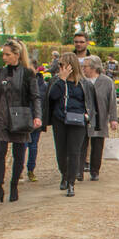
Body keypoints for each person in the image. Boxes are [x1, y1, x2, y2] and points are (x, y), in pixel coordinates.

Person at [0, 39, 42, 203]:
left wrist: (37, 116)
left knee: (19, 154)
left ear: (17, 55)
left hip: (20, 117)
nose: (4, 57)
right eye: (3, 54)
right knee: (0, 153)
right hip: (1, 118)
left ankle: (14, 186)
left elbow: (35, 97)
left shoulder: (28, 73)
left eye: (7, 54)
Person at [46, 53, 92, 196]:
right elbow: (51, 96)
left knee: (74, 152)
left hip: (78, 121)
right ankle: (64, 175)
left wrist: (88, 115)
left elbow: (90, 102)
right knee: (61, 151)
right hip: (60, 120)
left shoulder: (84, 83)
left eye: (61, 65)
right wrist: (62, 80)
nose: (59, 67)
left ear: (71, 66)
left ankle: (71, 182)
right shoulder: (57, 81)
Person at [80, 54, 118, 181]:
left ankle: (94, 170)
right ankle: (79, 170)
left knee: (97, 145)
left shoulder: (107, 81)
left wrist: (113, 119)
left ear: (93, 68)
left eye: (85, 66)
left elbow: (112, 101)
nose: (83, 69)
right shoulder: (81, 81)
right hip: (83, 117)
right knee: (81, 144)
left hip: (100, 117)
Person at [26, 64, 49, 182]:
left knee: (33, 146)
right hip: (23, 118)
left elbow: (44, 103)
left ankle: (31, 170)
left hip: (37, 119)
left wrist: (41, 118)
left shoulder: (43, 85)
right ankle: (19, 169)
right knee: (22, 145)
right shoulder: (23, 82)